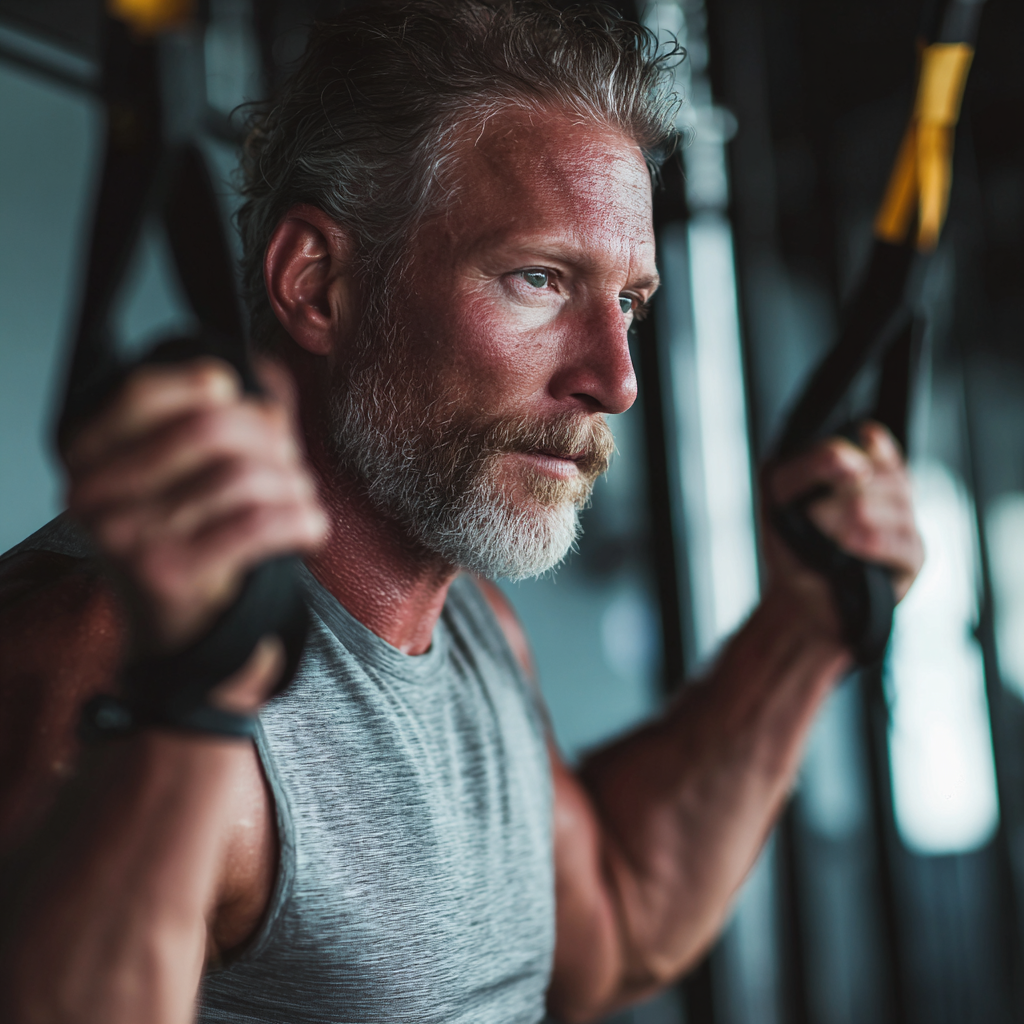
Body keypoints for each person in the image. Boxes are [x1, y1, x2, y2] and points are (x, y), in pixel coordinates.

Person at [0, 3, 923, 1022]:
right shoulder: (95, 657)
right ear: (317, 284)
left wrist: (805, 625)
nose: (614, 378)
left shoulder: (473, 627)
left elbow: (608, 932)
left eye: (627, 303)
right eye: (539, 277)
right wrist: (186, 712)